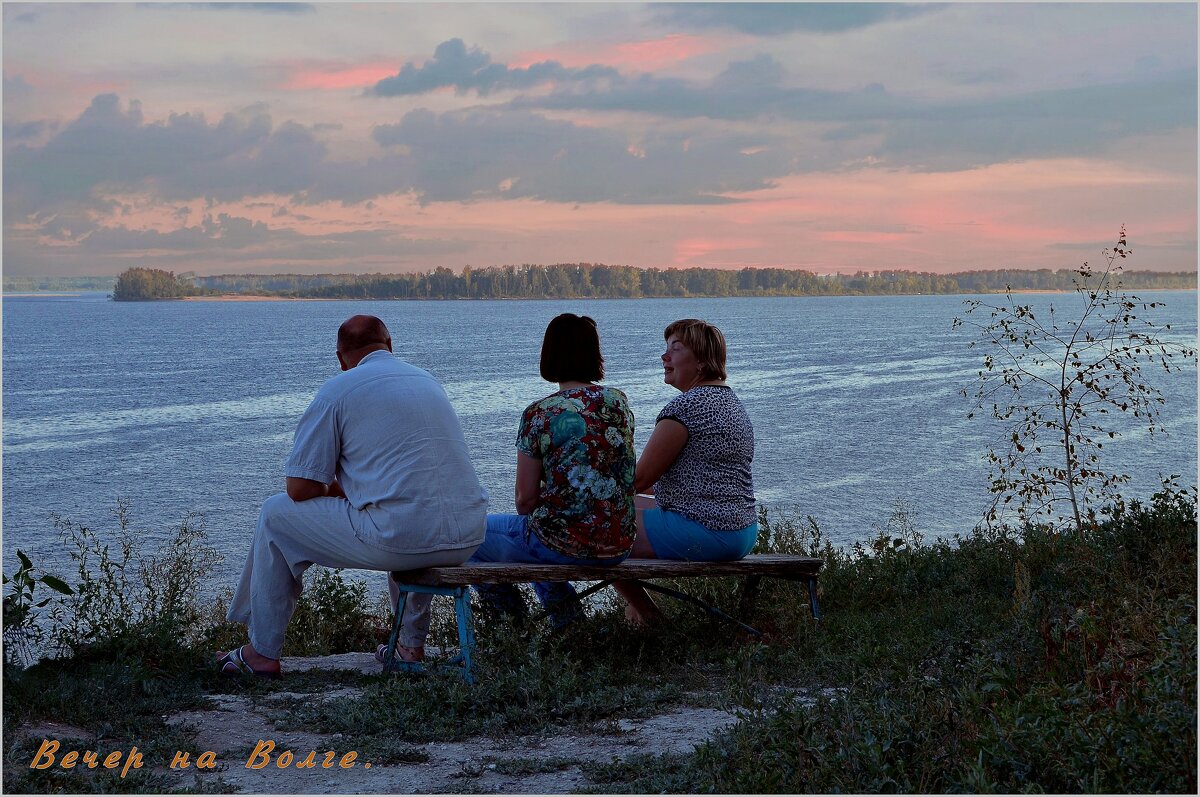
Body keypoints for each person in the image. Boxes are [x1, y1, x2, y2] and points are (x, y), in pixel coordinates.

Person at [219, 315, 488, 678]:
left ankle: (262, 652)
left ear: (340, 358)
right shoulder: (428, 382)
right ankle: (409, 647)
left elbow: (299, 489)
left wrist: (335, 489)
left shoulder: (338, 390)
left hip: (404, 537)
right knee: (403, 511)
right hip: (468, 535)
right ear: (390, 345)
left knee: (274, 515)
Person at [469, 313, 636, 625]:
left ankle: (512, 626)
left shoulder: (540, 413)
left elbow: (525, 501)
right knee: (544, 532)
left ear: (548, 354)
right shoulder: (618, 403)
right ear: (594, 354)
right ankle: (567, 625)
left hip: (565, 545)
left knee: (470, 535)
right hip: (618, 543)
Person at [614, 318, 757, 626]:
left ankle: (649, 617)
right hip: (742, 531)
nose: (664, 357)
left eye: (675, 349)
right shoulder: (731, 402)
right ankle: (636, 616)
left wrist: (583, 486)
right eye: (666, 349)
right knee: (619, 508)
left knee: (596, 528)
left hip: (708, 531)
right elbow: (691, 478)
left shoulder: (683, 409)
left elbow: (639, 479)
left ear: (702, 362)